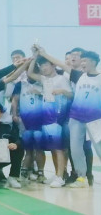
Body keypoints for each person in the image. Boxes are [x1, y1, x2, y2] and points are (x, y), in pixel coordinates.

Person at [35, 46, 100, 188]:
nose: (82, 63)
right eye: (82, 61)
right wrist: (44, 53)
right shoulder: (79, 75)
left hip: (95, 119)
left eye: (85, 61)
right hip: (76, 117)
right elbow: (60, 64)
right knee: (75, 149)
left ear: (94, 62)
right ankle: (81, 178)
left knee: (99, 148)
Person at [26, 54, 72, 188]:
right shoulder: (44, 79)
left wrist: (62, 91)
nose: (43, 68)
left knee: (59, 148)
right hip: (46, 118)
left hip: (57, 118)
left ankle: (61, 176)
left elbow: (71, 95)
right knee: (53, 148)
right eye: (41, 66)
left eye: (45, 65)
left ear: (53, 65)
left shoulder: (62, 79)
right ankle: (58, 174)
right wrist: (34, 57)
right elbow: (30, 73)